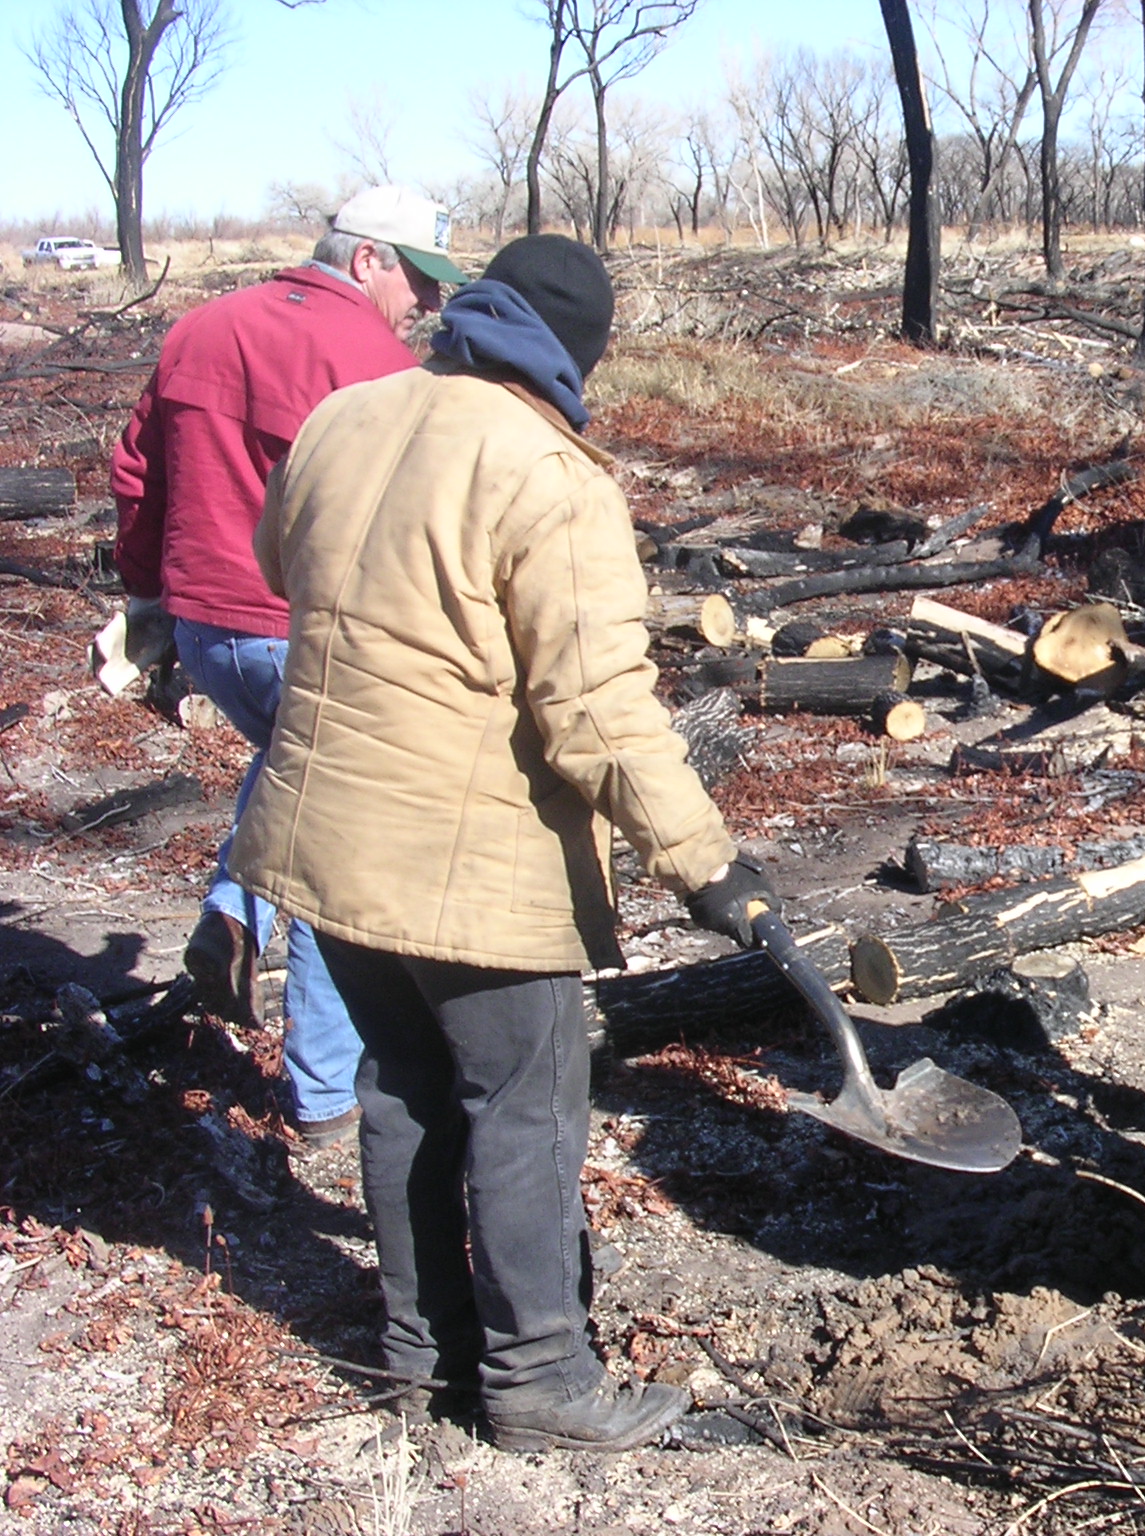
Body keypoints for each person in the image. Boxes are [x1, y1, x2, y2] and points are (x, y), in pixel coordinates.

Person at [229, 234, 779, 1451]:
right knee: (523, 1107)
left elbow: (279, 565)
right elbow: (598, 711)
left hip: (329, 838)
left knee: (402, 1090)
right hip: (471, 863)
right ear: (573, 356)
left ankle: (422, 1362)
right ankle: (540, 1387)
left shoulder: (347, 415)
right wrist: (706, 864)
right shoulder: (551, 472)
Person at [110, 186, 463, 1148]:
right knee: (331, 846)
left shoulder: (198, 329)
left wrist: (149, 601)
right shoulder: (372, 364)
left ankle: (232, 911)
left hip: (204, 628)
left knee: (289, 770)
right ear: (365, 260)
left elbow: (136, 470)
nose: (426, 308)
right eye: (417, 281)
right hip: (300, 630)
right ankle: (322, 1093)